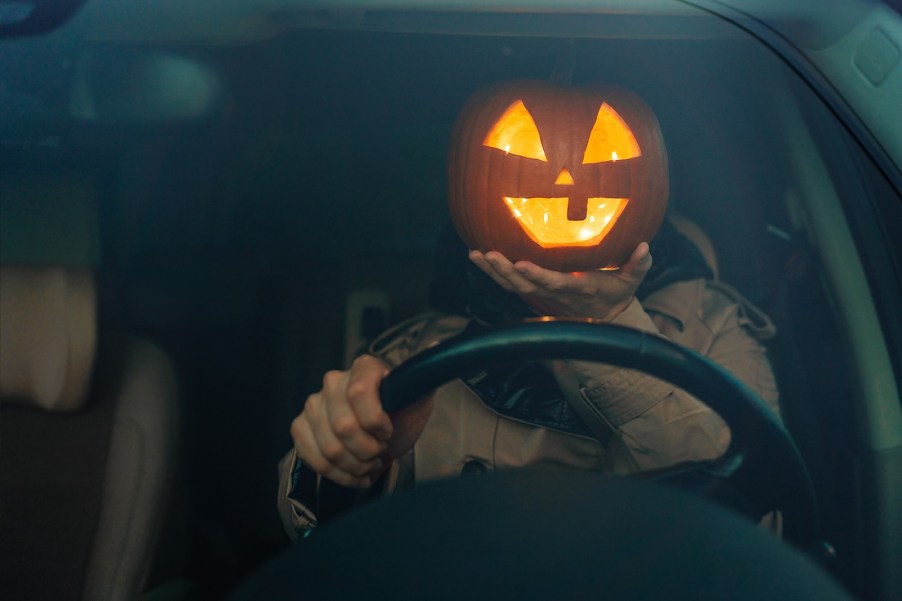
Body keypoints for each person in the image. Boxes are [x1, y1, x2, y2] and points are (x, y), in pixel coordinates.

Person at [277, 218, 781, 541]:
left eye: (594, 157)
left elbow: (749, 528)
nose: (562, 180)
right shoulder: (416, 347)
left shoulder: (715, 326)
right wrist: (345, 451)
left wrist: (606, 320)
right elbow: (327, 538)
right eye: (521, 154)